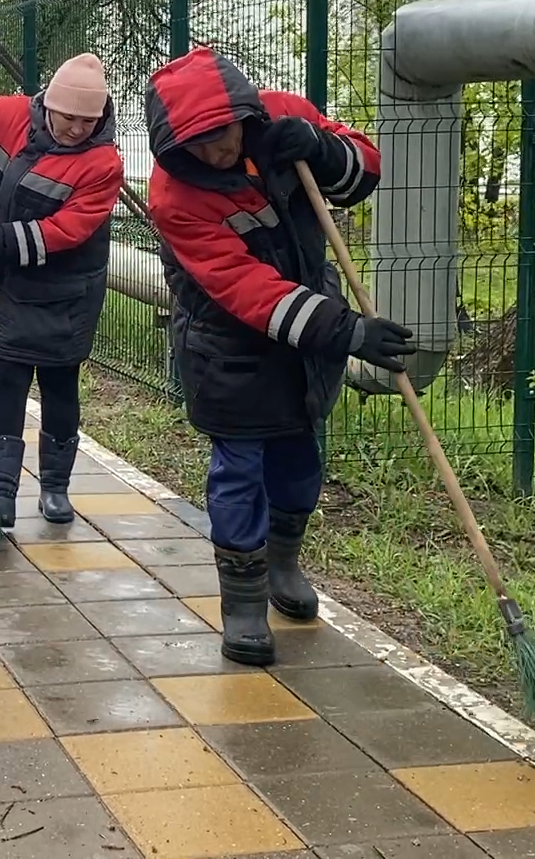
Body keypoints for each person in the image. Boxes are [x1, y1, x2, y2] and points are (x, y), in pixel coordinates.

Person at [144, 47, 412, 666]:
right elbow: (245, 289)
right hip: (228, 347)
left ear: (243, 112)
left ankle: (284, 562)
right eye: (201, 144)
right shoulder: (176, 196)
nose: (216, 151)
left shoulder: (283, 114)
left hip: (306, 343)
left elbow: (367, 169)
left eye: (225, 134)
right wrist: (345, 331)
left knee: (300, 459)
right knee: (240, 470)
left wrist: (319, 147)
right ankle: (241, 600)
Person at [0, 56, 124, 528]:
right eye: (69, 117)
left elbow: (66, 231)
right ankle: (0, 493)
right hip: (6, 286)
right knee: (8, 378)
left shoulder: (103, 164)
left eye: (89, 120)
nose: (78, 128)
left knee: (60, 383)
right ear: (49, 105)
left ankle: (55, 487)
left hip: (65, 291)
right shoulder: (8, 115)